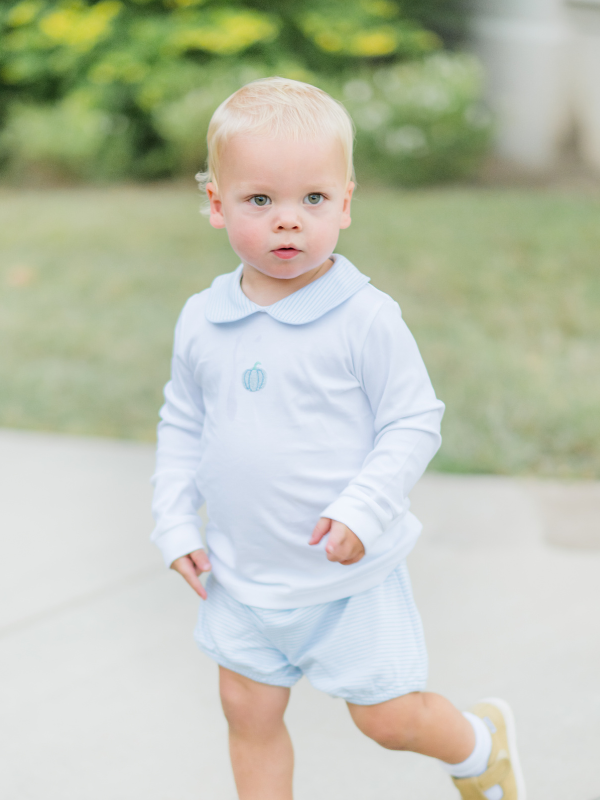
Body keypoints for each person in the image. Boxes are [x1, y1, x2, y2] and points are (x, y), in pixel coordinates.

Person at [151, 77, 526, 800]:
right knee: (247, 711)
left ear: (346, 203)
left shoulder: (364, 317)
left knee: (385, 720)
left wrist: (364, 507)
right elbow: (182, 422)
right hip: (244, 572)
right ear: (216, 205)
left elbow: (413, 418)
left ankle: (480, 748)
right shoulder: (202, 318)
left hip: (345, 578)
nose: (288, 222)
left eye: (312, 200)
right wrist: (172, 520)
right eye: (261, 200)